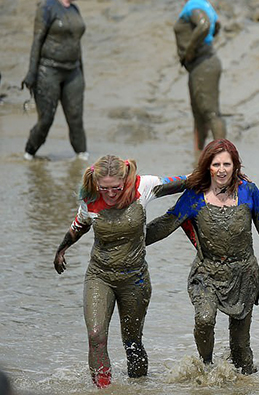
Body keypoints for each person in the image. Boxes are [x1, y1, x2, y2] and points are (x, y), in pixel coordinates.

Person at [145, 139, 259, 374]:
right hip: (207, 273)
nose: (222, 170)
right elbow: (167, 223)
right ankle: (206, 370)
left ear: (235, 166)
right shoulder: (194, 196)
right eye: (216, 164)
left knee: (241, 352)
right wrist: (130, 241)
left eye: (227, 164)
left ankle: (245, 382)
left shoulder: (249, 192)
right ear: (208, 167)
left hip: (244, 273)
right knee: (204, 319)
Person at [53, 155, 186, 388]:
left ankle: (139, 388)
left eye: (116, 188)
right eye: (105, 188)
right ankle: (104, 390)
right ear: (96, 183)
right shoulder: (90, 196)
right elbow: (79, 225)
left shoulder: (143, 186)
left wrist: (219, 175)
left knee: (132, 342)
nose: (111, 194)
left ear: (125, 179)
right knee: (96, 336)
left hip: (135, 279)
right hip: (99, 275)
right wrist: (61, 250)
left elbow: (184, 182)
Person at [22, 0, 88, 161]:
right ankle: (29, 153)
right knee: (46, 119)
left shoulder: (75, 9)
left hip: (73, 72)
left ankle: (82, 159)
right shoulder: (47, 8)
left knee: (75, 117)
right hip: (48, 71)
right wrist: (31, 73)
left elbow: (77, 44)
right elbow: (37, 41)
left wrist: (81, 73)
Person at [174, 0, 226, 156]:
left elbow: (203, 25)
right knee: (199, 112)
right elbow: (216, 25)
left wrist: (190, 51)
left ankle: (223, 156)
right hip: (203, 64)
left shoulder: (192, 7)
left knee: (210, 112)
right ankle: (199, 156)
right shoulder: (205, 4)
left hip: (203, 64)